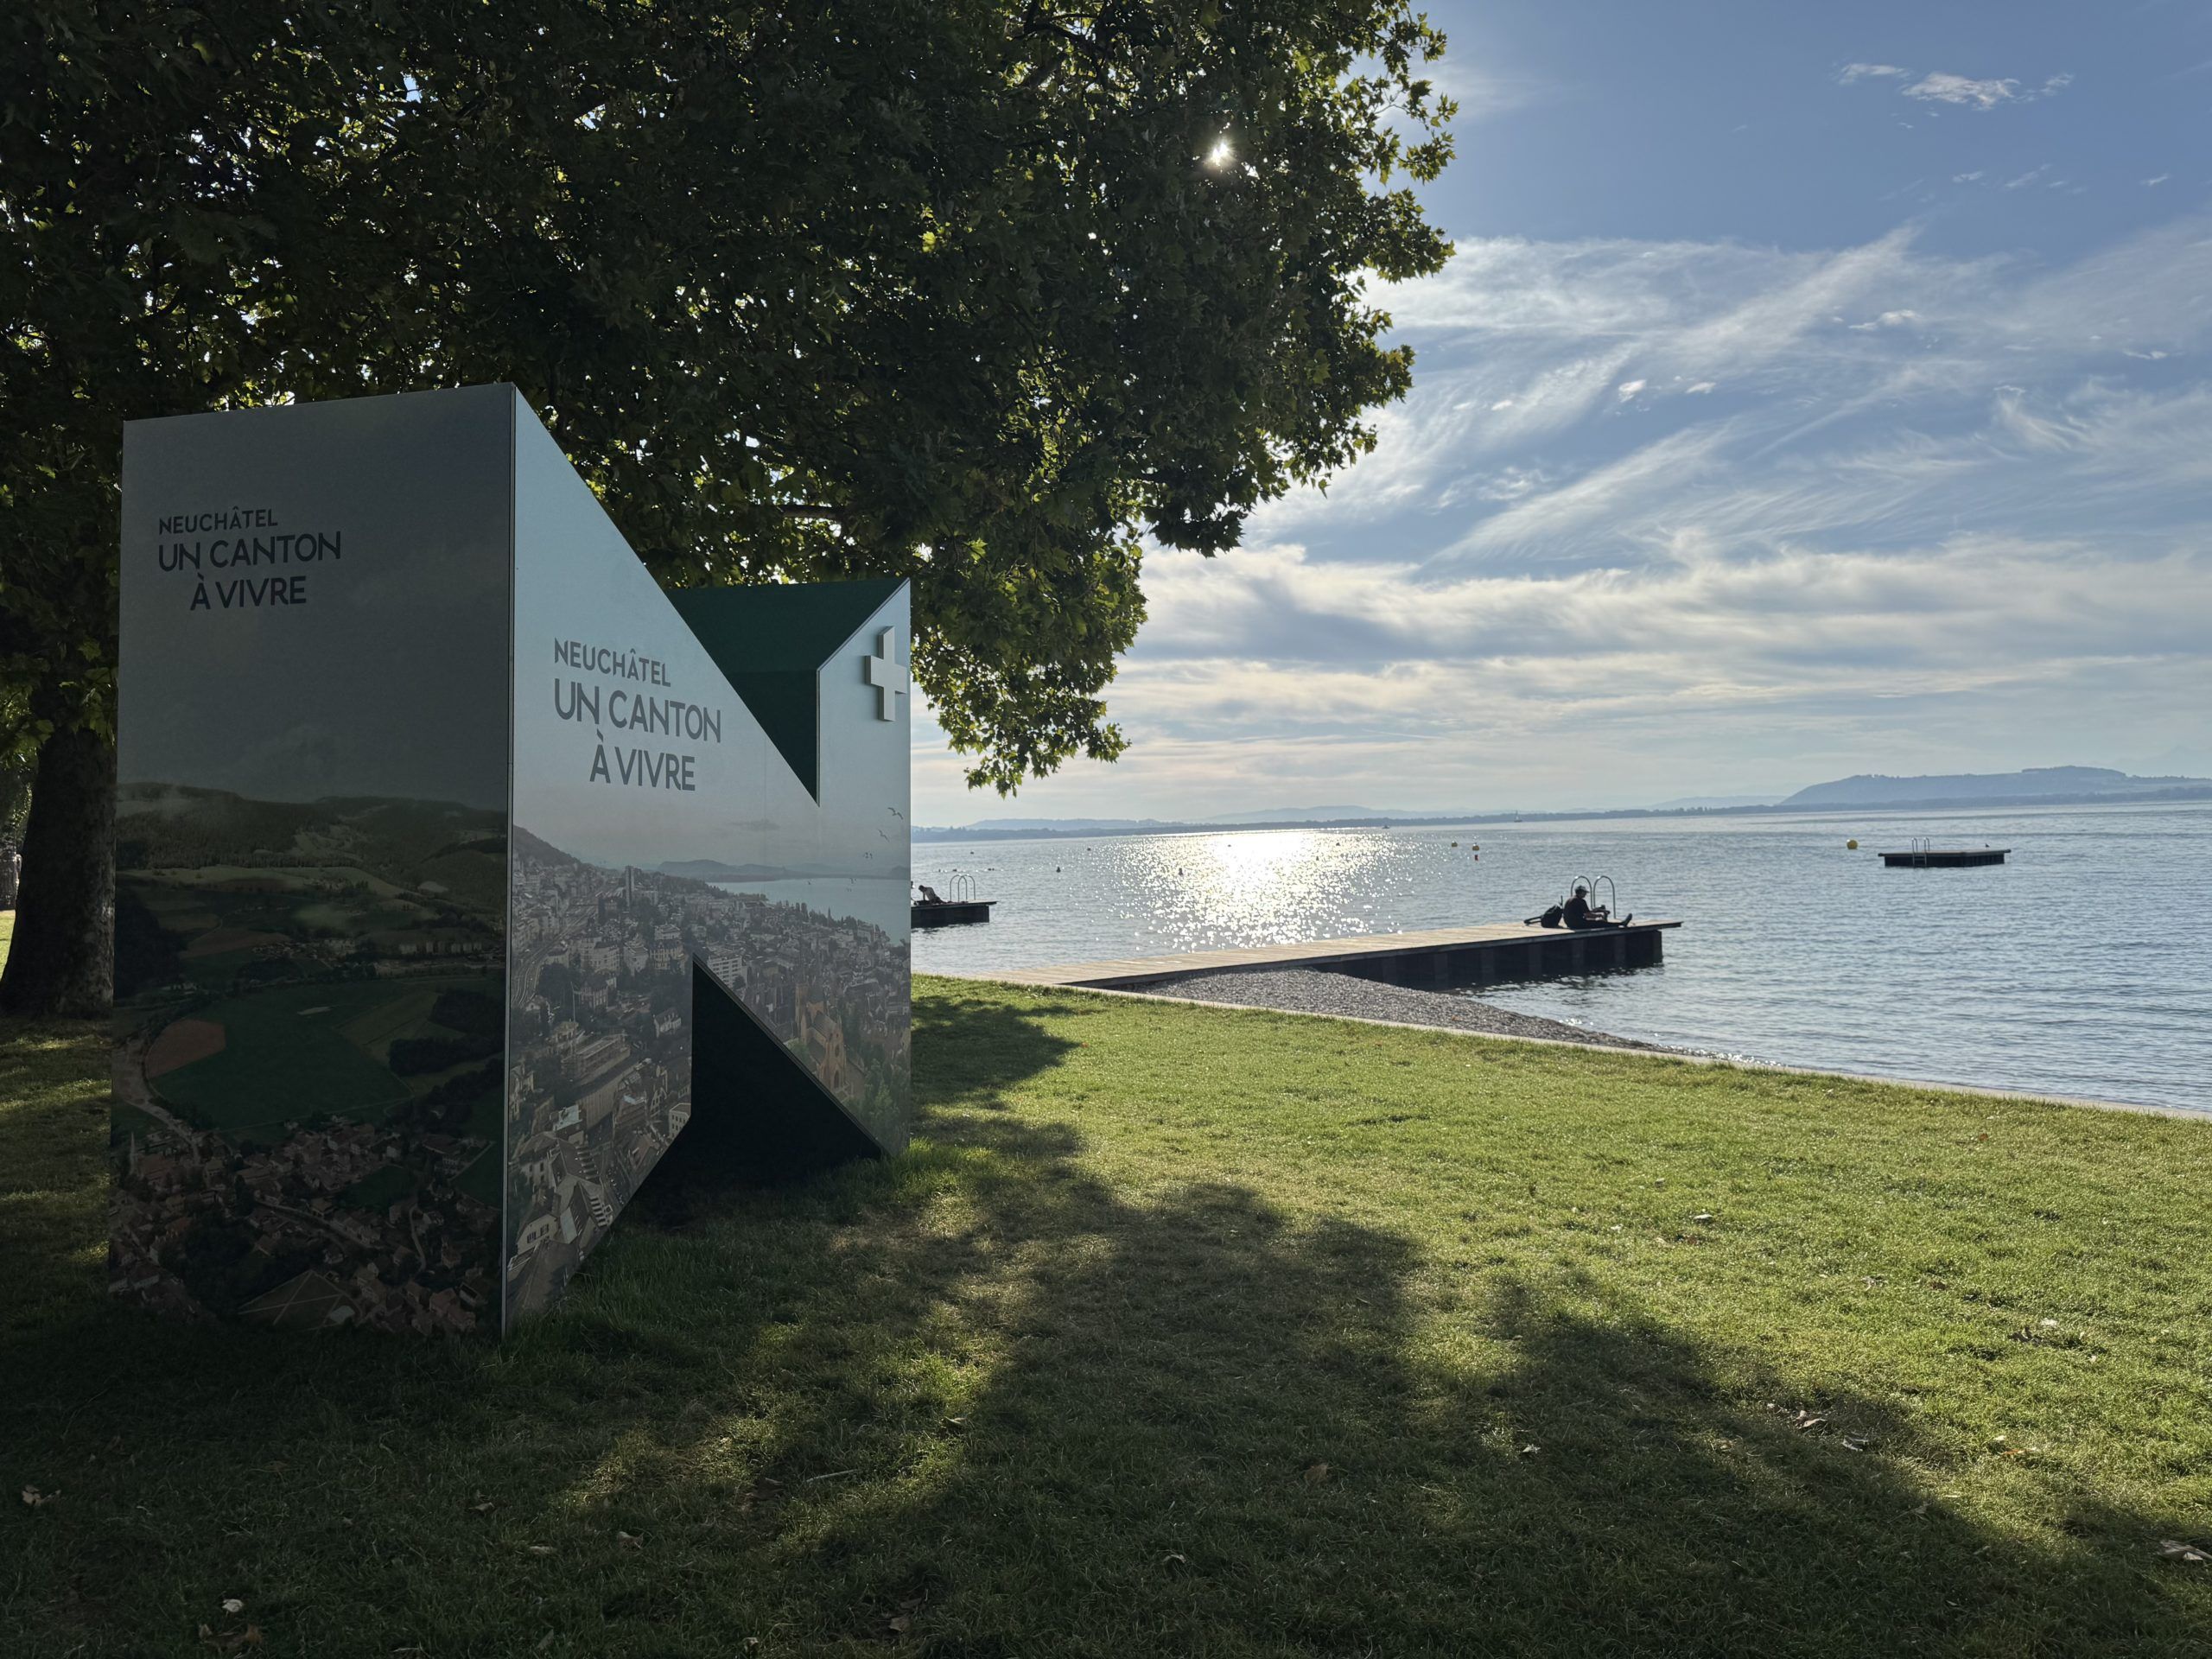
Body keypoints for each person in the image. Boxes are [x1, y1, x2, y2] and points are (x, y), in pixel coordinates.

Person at [1561, 885, 1630, 929]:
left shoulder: (1570, 899)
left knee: (1593, 921)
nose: (1585, 894)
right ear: (1581, 892)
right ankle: (1622, 923)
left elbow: (1585, 912)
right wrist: (1599, 915)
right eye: (1584, 892)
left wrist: (1600, 911)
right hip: (1577, 924)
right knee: (1600, 923)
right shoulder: (1580, 901)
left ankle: (1619, 923)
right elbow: (1588, 914)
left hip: (1569, 923)